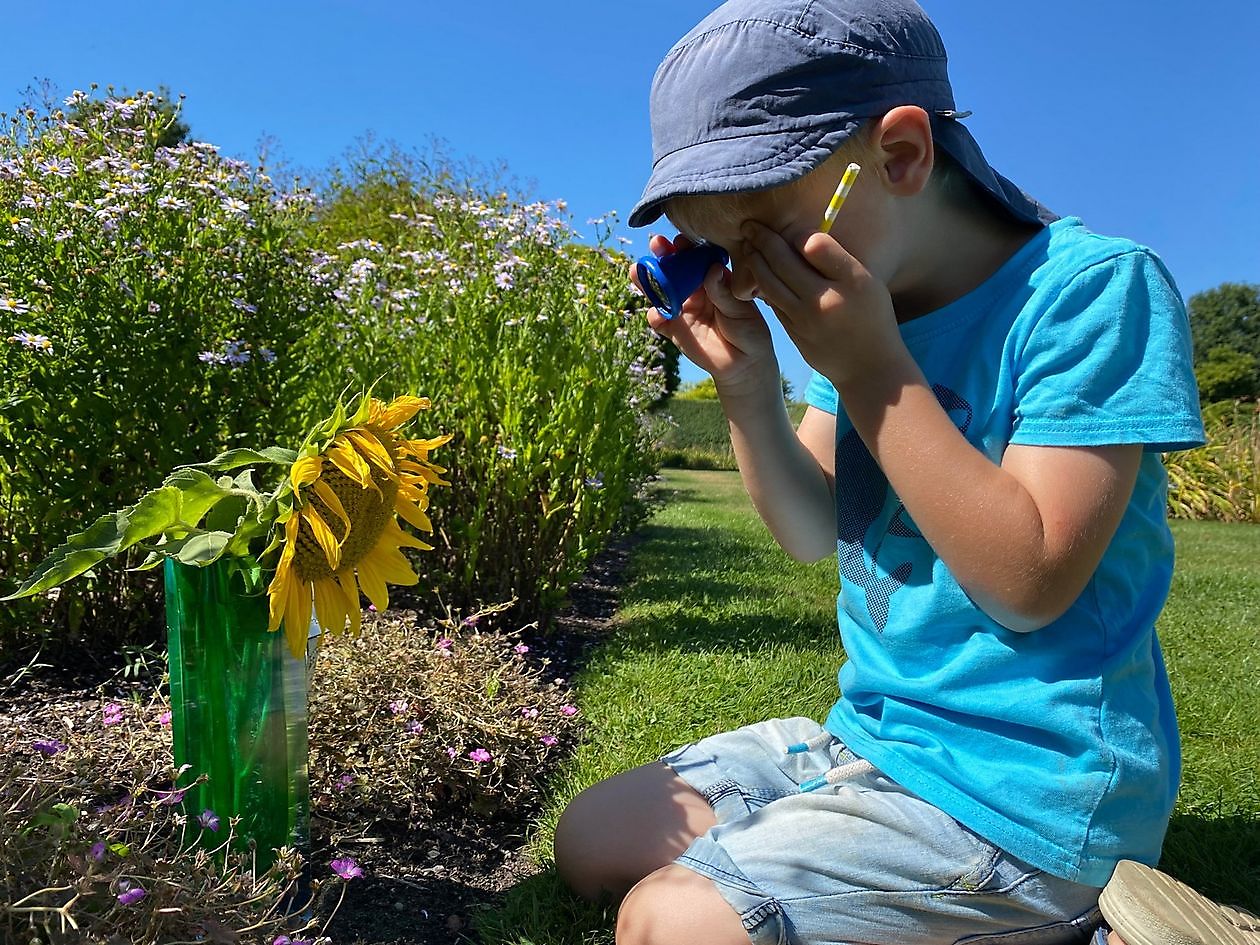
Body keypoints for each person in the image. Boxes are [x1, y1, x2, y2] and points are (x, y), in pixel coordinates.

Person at [552, 2, 1207, 945]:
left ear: (901, 154)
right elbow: (814, 527)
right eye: (729, 252)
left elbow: (1030, 582)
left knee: (672, 922)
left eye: (766, 235)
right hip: (876, 741)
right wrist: (746, 384)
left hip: (1030, 792)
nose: (751, 278)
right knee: (596, 839)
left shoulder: (1091, 291)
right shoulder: (864, 309)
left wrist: (870, 364)